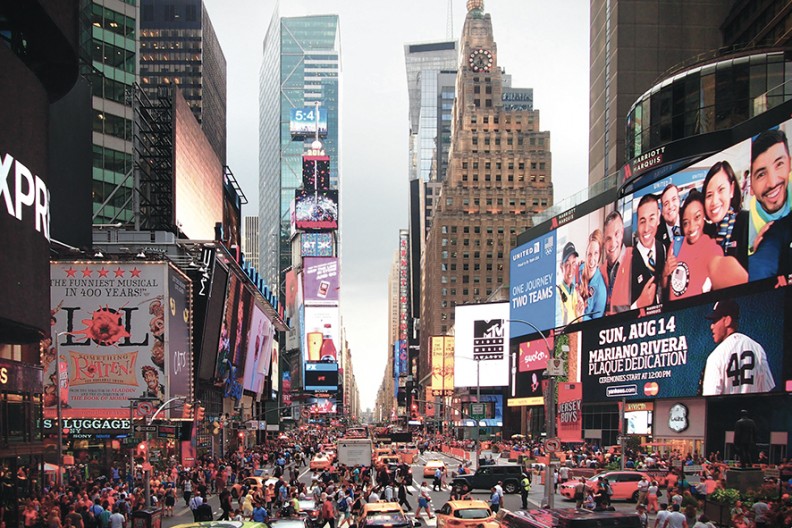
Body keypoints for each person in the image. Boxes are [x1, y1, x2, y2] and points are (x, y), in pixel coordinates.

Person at [701, 299, 775, 396]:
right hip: (754, 410)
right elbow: (768, 393)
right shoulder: (757, 349)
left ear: (727, 321)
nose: (712, 326)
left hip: (727, 411)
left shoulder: (716, 356)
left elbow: (710, 400)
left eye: (715, 320)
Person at [664, 190, 723, 300]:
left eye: (697, 217)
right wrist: (665, 272)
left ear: (706, 218)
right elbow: (665, 288)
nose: (691, 228)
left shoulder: (713, 249)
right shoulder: (675, 246)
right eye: (686, 222)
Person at [748, 128, 791, 255]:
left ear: (790, 163)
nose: (772, 183)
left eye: (779, 164)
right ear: (750, 187)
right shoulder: (748, 229)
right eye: (761, 174)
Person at [632, 194, 665, 308]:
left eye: (651, 219)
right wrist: (638, 304)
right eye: (642, 221)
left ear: (658, 218)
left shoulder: (662, 249)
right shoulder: (628, 261)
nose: (646, 228)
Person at [601, 210, 633, 314]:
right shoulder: (600, 272)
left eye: (617, 234)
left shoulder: (635, 258)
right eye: (608, 239)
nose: (613, 243)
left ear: (622, 232)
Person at [577, 229, 607, 321]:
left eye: (596, 253)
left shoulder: (601, 290)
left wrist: (581, 316)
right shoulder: (577, 270)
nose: (592, 259)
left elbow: (596, 324)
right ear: (586, 254)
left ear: (600, 256)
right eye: (589, 254)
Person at [557, 242, 580, 324]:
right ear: (561, 267)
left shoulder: (576, 293)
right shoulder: (557, 294)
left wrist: (580, 317)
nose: (571, 269)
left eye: (573, 263)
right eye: (567, 265)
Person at [658, 184, 683, 254]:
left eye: (674, 199)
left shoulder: (689, 217)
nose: (670, 206)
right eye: (666, 204)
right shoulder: (657, 237)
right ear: (662, 211)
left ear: (679, 200)